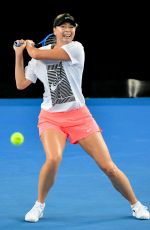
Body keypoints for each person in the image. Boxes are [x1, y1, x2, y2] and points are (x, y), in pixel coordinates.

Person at [13, 13, 150, 223]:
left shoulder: (76, 48)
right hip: (51, 118)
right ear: (54, 30)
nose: (67, 30)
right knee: (53, 159)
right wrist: (19, 54)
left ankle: (136, 204)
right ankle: (39, 205)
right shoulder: (37, 58)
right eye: (62, 26)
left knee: (108, 167)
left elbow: (38, 55)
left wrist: (30, 48)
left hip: (79, 117)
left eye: (71, 26)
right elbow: (21, 84)